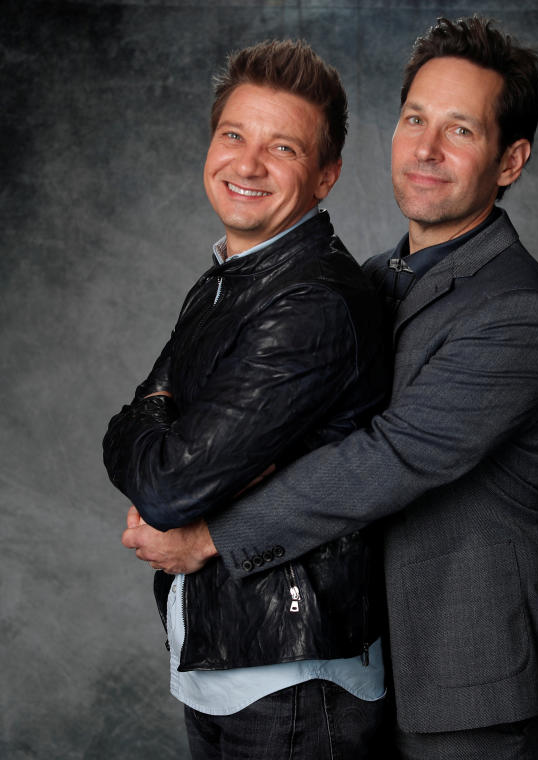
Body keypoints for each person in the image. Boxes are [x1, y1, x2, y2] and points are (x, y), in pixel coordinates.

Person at [122, 16, 538, 759]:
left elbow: (387, 457)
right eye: (414, 119)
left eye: (460, 130)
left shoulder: (517, 308)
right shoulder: (364, 281)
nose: (426, 150)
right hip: (362, 658)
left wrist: (210, 534)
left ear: (510, 160)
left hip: (470, 680)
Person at [103, 39, 390, 759]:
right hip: (229, 661)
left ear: (326, 176)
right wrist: (161, 426)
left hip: (292, 684)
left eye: (283, 147)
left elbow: (166, 486)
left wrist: (162, 431)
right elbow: (142, 424)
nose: (248, 163)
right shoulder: (228, 279)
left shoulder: (311, 303)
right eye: (234, 134)